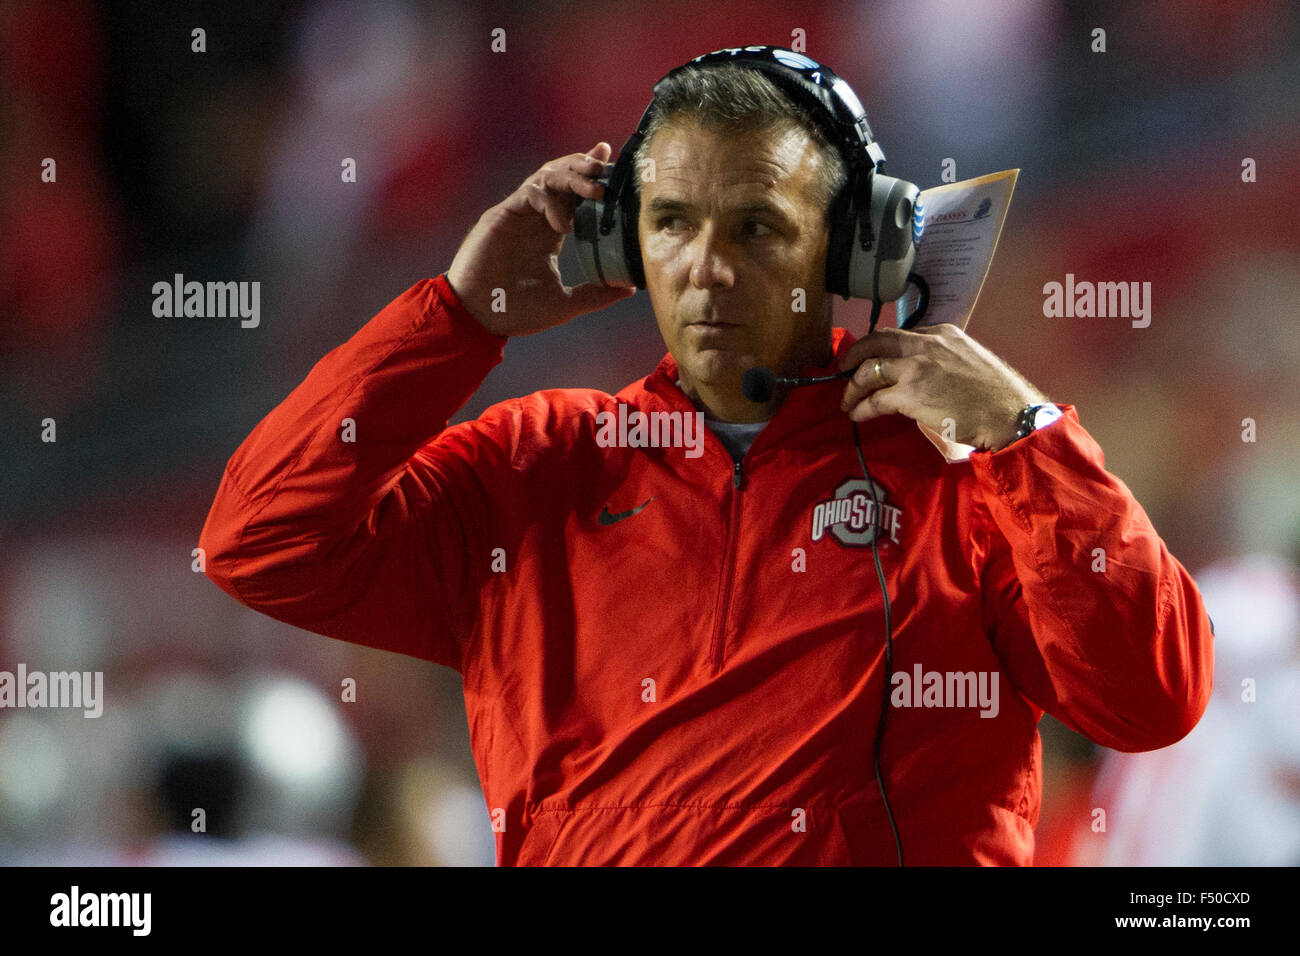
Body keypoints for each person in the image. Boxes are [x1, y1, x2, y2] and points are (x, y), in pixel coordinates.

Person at [199, 48, 1214, 865]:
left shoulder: (971, 474)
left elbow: (1150, 696)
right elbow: (259, 540)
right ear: (625, 245)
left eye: (758, 226)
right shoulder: (537, 464)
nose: (706, 267)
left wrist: (1028, 434)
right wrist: (457, 317)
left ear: (856, 245)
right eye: (671, 223)